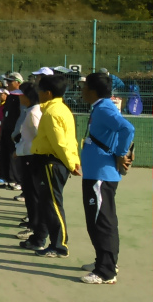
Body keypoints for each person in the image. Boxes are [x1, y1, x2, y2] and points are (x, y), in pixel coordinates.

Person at [77, 72, 135, 284]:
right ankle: (104, 261)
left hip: (100, 176)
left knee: (102, 222)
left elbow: (127, 128)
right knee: (99, 220)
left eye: (84, 87)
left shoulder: (104, 108)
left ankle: (106, 271)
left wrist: (121, 153)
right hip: (96, 173)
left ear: (92, 90)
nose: (81, 90)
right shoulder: (100, 107)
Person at [29, 73, 80, 259]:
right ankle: (42, 239)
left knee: (53, 205)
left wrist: (72, 163)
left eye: (40, 90)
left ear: (48, 93)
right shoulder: (61, 109)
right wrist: (73, 160)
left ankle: (59, 246)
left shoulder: (52, 113)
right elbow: (70, 140)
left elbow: (60, 143)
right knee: (47, 204)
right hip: (53, 161)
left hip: (52, 163)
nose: (38, 94)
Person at [14, 83, 45, 250]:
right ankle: (32, 225)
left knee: (33, 195)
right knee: (29, 193)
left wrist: (24, 151)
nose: (19, 97)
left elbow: (39, 137)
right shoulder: (30, 111)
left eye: (21, 94)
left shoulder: (34, 113)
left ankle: (34, 227)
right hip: (27, 156)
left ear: (28, 97)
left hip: (32, 158)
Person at [0, 72, 23, 186]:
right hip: (6, 131)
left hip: (15, 132)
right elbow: (5, 115)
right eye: (7, 81)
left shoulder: (21, 97)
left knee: (14, 156)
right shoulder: (10, 96)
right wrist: (2, 130)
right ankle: (8, 179)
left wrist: (18, 132)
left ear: (18, 83)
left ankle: (16, 180)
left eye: (10, 82)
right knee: (5, 155)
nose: (8, 83)